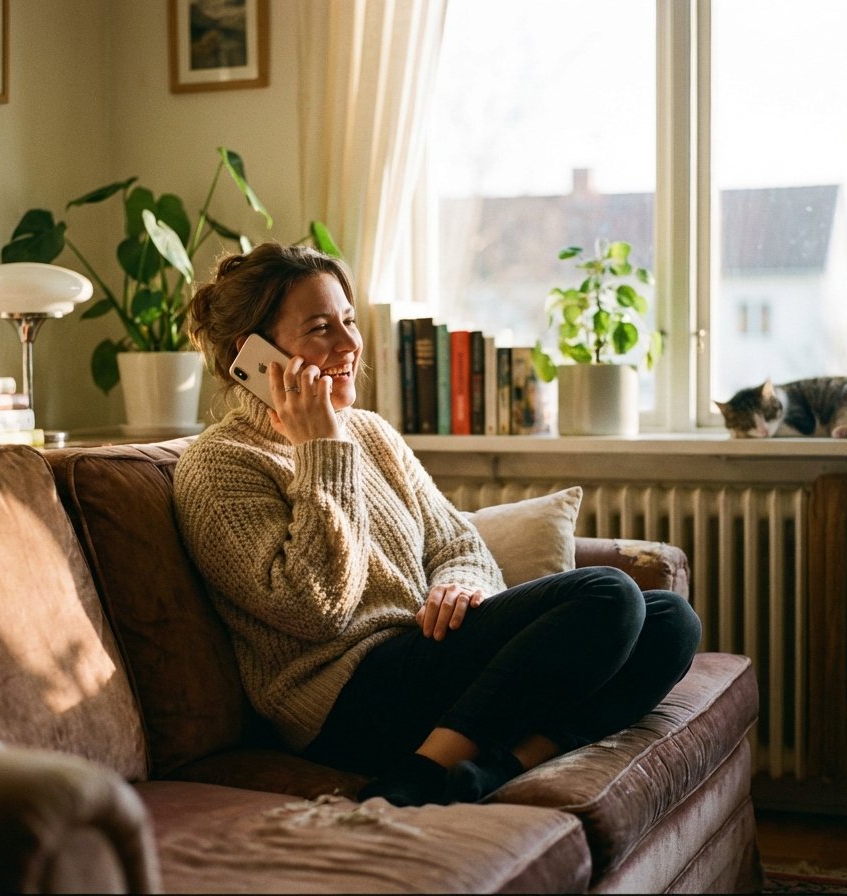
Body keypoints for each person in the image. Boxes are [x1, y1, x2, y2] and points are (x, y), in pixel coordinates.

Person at [173, 242, 701, 807]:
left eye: (348, 321)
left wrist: (463, 583)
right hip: (344, 700)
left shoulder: (371, 433)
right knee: (611, 594)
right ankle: (419, 777)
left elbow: (456, 539)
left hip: (423, 656)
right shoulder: (219, 466)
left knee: (671, 621)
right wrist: (321, 448)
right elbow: (315, 608)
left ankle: (498, 768)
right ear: (251, 353)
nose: (350, 344)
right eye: (321, 328)